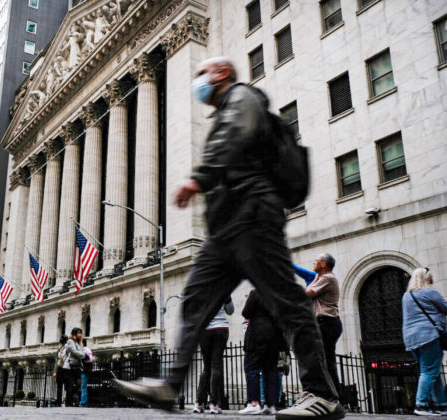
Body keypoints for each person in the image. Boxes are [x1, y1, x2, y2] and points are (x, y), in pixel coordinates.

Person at [113, 57, 343, 419]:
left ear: (221, 74)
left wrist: (199, 178)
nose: (198, 81)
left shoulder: (241, 97)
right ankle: (170, 385)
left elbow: (236, 134)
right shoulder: (224, 108)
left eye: (201, 73)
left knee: (289, 304)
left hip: (253, 215)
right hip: (224, 229)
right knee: (194, 300)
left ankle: (322, 395)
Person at [402, 267, 447, 416]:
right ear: (426, 278)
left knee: (431, 371)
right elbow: (446, 309)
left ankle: (442, 404)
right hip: (429, 335)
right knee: (429, 371)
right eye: (431, 276)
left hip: (411, 338)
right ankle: (421, 405)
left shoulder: (407, 296)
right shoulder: (430, 292)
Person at [294, 254, 342, 395]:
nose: (313, 262)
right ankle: (327, 395)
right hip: (324, 322)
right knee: (322, 361)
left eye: (316, 261)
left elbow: (308, 293)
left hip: (327, 322)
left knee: (326, 362)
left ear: (323, 264)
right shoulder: (320, 277)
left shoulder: (327, 278)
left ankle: (332, 396)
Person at [239, 290, 286, 415]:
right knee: (271, 370)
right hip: (274, 336)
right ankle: (271, 405)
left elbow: (246, 312)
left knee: (252, 368)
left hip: (257, 335)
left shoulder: (256, 292)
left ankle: (254, 403)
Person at [193, 297, 234, 414]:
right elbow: (230, 310)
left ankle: (199, 403)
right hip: (220, 328)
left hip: (204, 330)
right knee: (216, 366)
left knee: (206, 368)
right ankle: (214, 404)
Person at [62, 328, 86, 407]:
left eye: (81, 333)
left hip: (77, 367)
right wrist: (82, 355)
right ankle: (68, 403)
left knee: (78, 384)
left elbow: (82, 352)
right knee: (70, 386)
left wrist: (81, 353)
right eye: (78, 333)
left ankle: (74, 398)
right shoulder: (70, 341)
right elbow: (75, 352)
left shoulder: (80, 343)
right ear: (74, 334)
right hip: (69, 367)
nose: (80, 334)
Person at [53, 335, 69, 407]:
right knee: (60, 387)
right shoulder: (60, 349)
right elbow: (57, 360)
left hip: (66, 368)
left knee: (66, 387)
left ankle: (67, 402)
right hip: (60, 369)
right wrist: (55, 371)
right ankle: (59, 402)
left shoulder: (68, 347)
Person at [79, 338, 93, 407]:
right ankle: (83, 402)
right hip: (81, 371)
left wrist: (83, 355)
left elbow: (90, 360)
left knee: (83, 388)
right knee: (82, 387)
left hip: (85, 371)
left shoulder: (86, 350)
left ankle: (83, 403)